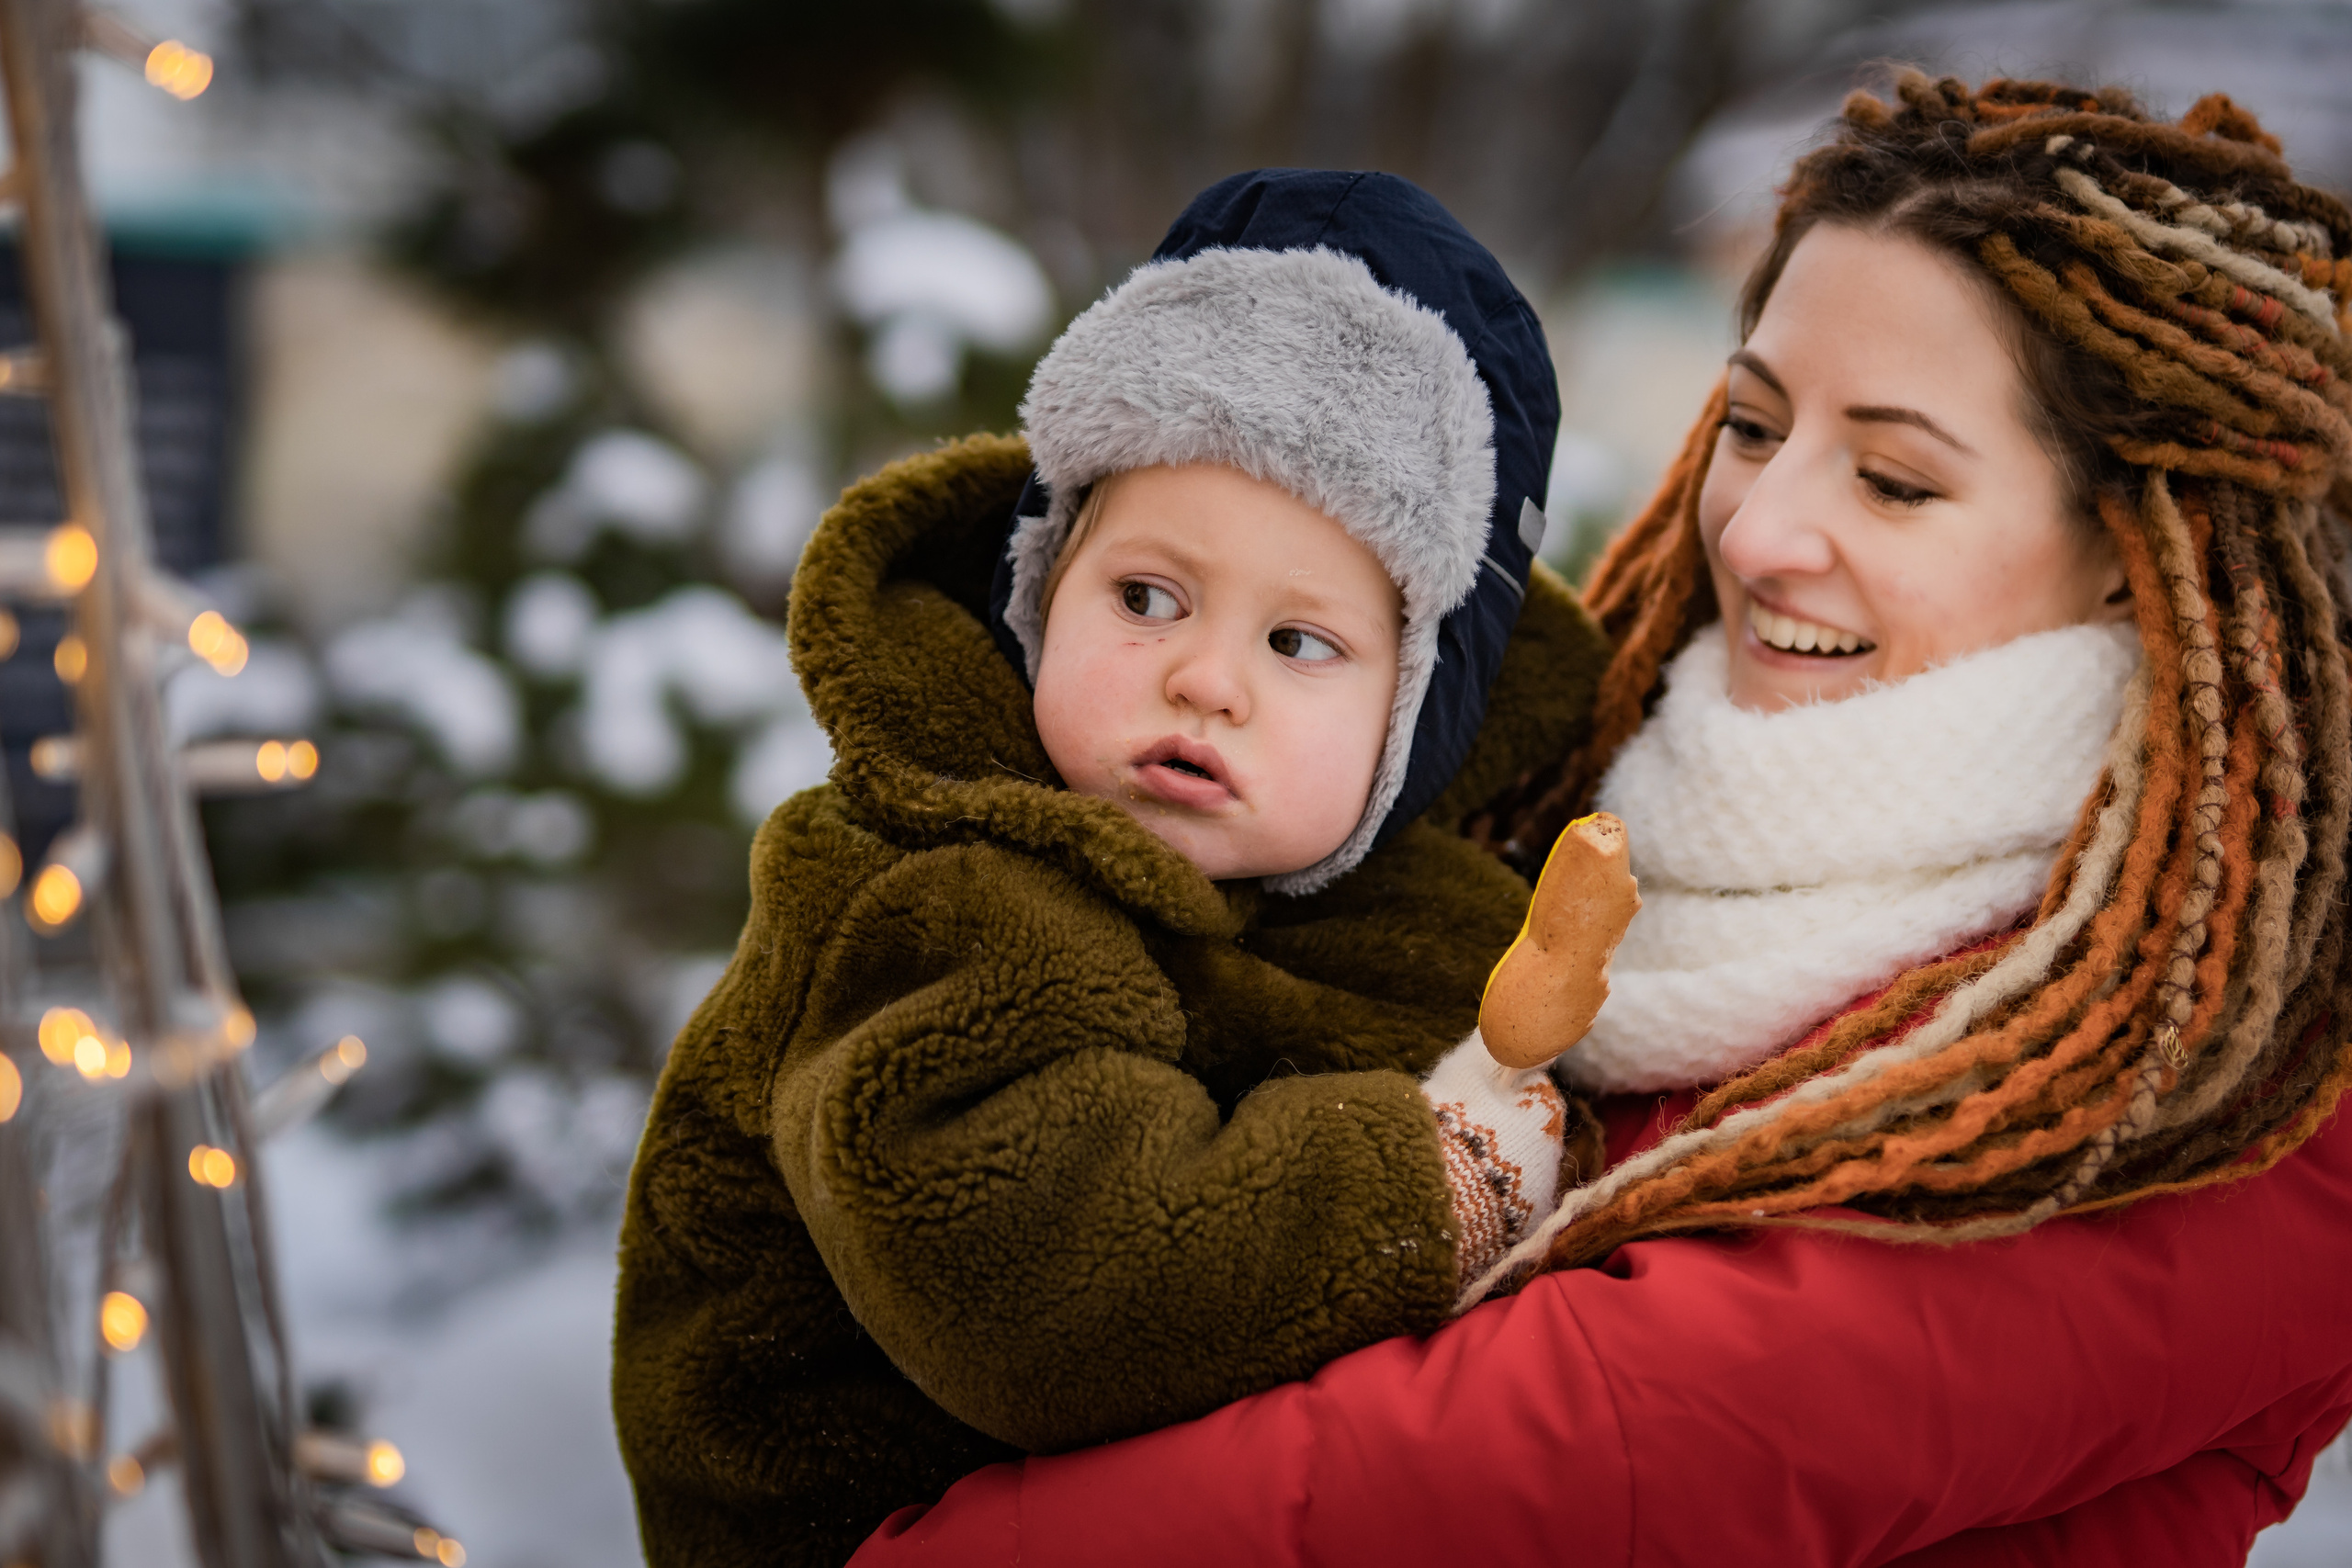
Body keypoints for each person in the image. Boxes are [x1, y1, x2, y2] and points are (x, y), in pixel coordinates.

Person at [851, 75, 2352, 1565]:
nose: (1758, 533)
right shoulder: (1563, 802)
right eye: (1755, 427)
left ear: (2136, 545)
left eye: (1894, 481)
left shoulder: (2229, 1080)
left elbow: (1555, 1461)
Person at [611, 170, 1629, 1568]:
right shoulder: (939, 883)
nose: (1203, 679)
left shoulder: (1398, 905)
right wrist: (1427, 1184)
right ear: (1039, 585)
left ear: (1413, 720)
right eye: (1146, 598)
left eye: (1299, 643)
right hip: (866, 1528)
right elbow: (1050, 1292)